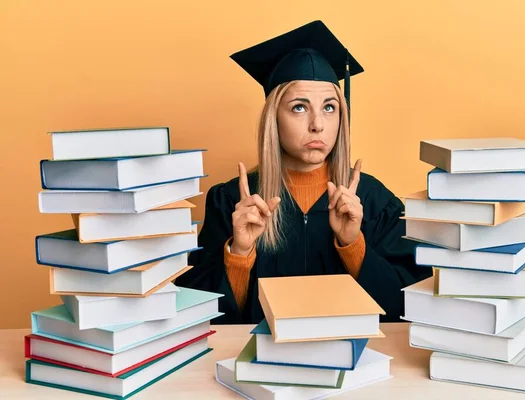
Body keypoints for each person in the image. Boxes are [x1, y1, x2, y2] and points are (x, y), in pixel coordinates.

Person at [175, 20, 432, 324]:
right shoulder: (232, 202)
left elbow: (410, 306)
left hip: (353, 364)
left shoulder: (373, 202)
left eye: (329, 107)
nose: (318, 124)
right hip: (260, 364)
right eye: (299, 107)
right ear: (274, 118)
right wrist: (239, 253)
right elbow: (198, 315)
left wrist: (354, 245)